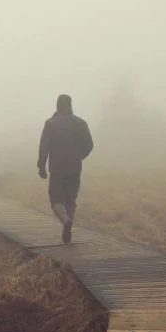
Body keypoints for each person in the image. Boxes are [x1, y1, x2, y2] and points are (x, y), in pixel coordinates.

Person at [37, 94, 93, 243]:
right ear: (70, 105)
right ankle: (68, 223)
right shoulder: (81, 123)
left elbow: (44, 147)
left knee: (55, 199)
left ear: (57, 105)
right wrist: (78, 156)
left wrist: (41, 166)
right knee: (71, 199)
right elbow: (89, 145)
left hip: (57, 167)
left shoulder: (50, 124)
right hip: (74, 168)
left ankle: (65, 220)